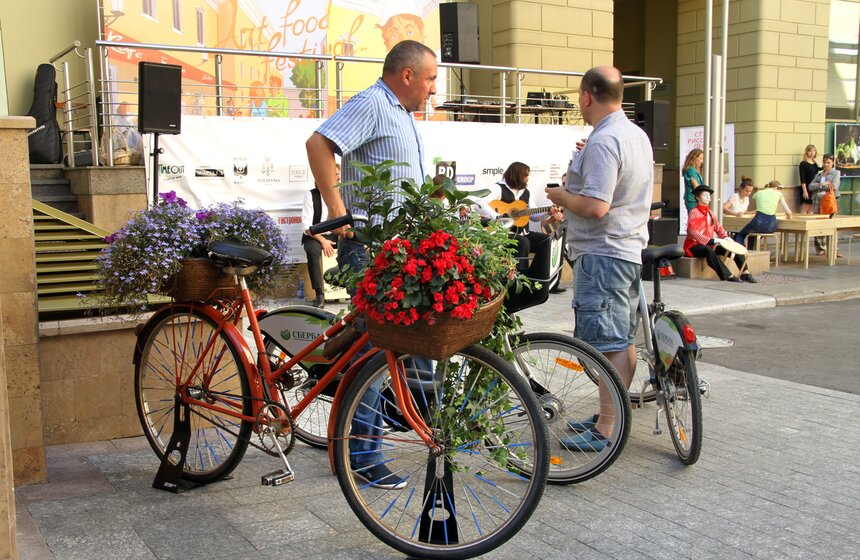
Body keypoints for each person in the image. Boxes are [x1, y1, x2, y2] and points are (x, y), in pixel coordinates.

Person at [305, 39, 437, 489]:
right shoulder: (374, 103)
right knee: (372, 349)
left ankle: (416, 419)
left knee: (411, 339)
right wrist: (337, 209)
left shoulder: (401, 113)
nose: (433, 88)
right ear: (407, 75)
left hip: (399, 249)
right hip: (369, 246)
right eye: (430, 78)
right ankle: (361, 455)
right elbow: (318, 143)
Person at [545, 65, 653, 452]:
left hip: (603, 253)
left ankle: (607, 427)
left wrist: (561, 196)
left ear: (587, 96)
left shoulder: (605, 141)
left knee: (607, 344)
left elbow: (595, 206)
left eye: (579, 95)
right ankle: (614, 415)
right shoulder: (634, 134)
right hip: (625, 251)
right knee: (620, 339)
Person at [473, 162, 563, 272]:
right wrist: (498, 217)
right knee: (523, 242)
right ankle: (520, 277)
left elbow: (534, 217)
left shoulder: (526, 192)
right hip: (503, 235)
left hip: (523, 233)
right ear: (517, 176)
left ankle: (539, 276)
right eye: (525, 176)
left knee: (546, 241)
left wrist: (548, 213)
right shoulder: (498, 188)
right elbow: (479, 203)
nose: (527, 179)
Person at [686, 185, 755, 283]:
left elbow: (718, 228)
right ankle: (728, 275)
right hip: (694, 245)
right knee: (708, 250)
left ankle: (745, 272)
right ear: (697, 197)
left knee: (734, 246)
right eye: (705, 195)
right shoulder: (694, 212)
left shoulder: (710, 213)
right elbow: (692, 231)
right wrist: (712, 240)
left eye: (709, 195)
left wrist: (726, 237)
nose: (708, 197)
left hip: (709, 244)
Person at [301, 164, 341, 308]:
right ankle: (319, 294)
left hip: (336, 233)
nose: (337, 178)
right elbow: (306, 227)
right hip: (315, 235)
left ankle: (348, 289)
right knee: (312, 251)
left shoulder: (342, 194)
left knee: (352, 245)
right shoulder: (310, 195)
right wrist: (322, 240)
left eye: (338, 174)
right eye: (334, 175)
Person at [734, 180, 793, 249]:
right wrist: (789, 217)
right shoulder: (779, 194)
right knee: (753, 234)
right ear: (775, 188)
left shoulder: (757, 194)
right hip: (772, 225)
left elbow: (756, 205)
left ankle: (740, 252)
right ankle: (751, 251)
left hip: (758, 222)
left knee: (741, 235)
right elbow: (788, 212)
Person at [809, 153, 841, 255]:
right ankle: (820, 248)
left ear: (832, 163)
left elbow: (834, 186)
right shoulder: (819, 174)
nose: (826, 165)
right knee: (818, 224)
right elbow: (810, 186)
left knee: (831, 224)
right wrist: (822, 184)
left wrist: (819, 186)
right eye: (824, 162)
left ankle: (833, 249)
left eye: (828, 163)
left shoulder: (836, 173)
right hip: (817, 200)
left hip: (829, 201)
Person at [798, 144, 821, 214]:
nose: (812, 153)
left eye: (814, 151)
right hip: (807, 187)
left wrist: (815, 160)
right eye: (810, 151)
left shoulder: (815, 164)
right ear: (807, 152)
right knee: (805, 207)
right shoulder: (803, 164)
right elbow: (802, 178)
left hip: (814, 187)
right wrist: (805, 191)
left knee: (811, 208)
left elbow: (821, 168)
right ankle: (803, 220)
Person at [682, 148, 705, 213]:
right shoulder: (690, 170)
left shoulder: (696, 170)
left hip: (697, 199)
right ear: (694, 158)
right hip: (693, 200)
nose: (702, 161)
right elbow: (696, 187)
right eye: (701, 159)